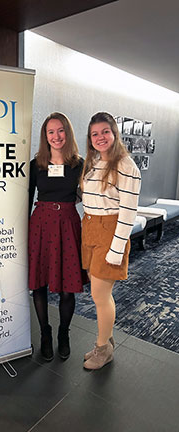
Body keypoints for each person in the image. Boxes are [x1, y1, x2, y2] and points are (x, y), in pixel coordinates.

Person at [80, 112, 141, 370]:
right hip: (90, 229)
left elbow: (128, 213)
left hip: (110, 232)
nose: (100, 137)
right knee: (100, 294)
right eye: (95, 134)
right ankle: (107, 337)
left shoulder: (126, 166)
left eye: (105, 131)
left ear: (114, 133)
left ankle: (103, 349)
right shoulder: (92, 164)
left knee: (99, 295)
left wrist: (116, 249)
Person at [28, 112, 88, 361]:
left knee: (67, 288)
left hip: (67, 226)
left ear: (68, 133)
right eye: (51, 132)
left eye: (60, 130)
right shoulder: (36, 164)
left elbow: (88, 194)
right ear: (45, 136)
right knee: (39, 284)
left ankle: (63, 333)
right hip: (40, 225)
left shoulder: (79, 164)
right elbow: (27, 197)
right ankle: (45, 333)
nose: (56, 136)